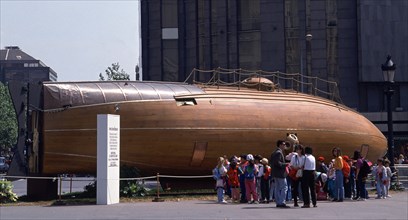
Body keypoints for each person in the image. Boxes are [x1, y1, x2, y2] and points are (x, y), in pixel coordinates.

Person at [270, 140, 290, 208]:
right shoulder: (279, 153)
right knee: (284, 187)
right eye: (284, 144)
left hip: (275, 173)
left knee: (277, 188)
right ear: (280, 145)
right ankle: (282, 202)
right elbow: (278, 163)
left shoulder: (274, 152)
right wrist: (286, 164)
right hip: (280, 173)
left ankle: (278, 202)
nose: (285, 146)